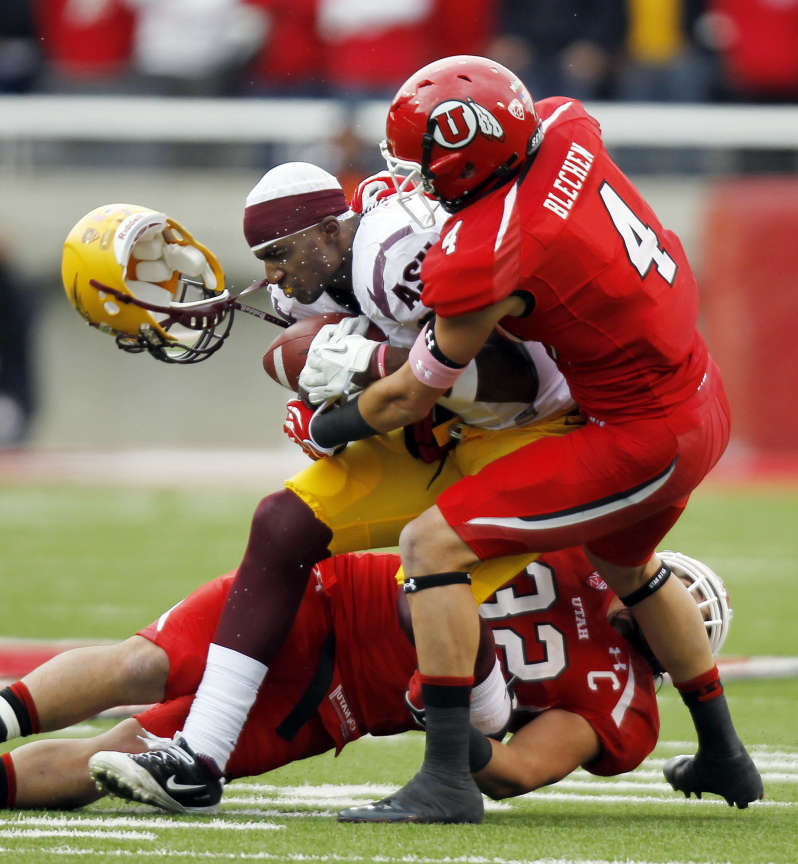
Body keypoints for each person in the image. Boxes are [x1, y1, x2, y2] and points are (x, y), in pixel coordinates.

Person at [283, 55, 763, 821]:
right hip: (699, 393)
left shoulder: (489, 248)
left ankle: (444, 779)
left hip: (641, 431)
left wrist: (326, 420)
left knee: (430, 547)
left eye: (420, 164)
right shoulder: (563, 123)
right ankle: (726, 754)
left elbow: (411, 395)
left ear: (465, 153)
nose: (412, 181)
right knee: (625, 565)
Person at [59, 170, 577, 814]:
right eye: (264, 262)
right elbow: (371, 382)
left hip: (542, 430)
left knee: (425, 597)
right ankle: (200, 755)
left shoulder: (395, 254)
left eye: (279, 255)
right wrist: (333, 412)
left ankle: (485, 719)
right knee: (283, 522)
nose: (273, 276)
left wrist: (364, 382)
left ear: (332, 230)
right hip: (454, 432)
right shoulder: (313, 288)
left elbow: (514, 377)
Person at [0, 547, 730, 811]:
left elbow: (514, 771)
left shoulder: (621, 704)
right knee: (148, 663)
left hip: (334, 707)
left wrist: (447, 719)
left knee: (123, 756)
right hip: (333, 592)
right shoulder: (593, 539)